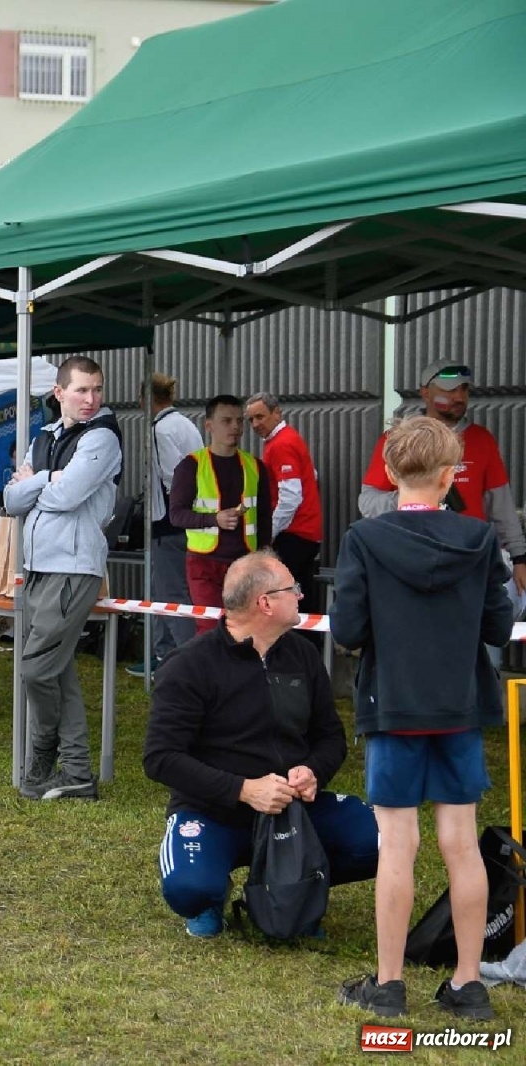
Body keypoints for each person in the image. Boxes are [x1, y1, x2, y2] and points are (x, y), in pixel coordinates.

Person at [332, 416, 514, 1020]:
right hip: (459, 706)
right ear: (450, 475)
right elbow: (496, 627)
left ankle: (388, 984)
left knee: (397, 846)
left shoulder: (364, 538)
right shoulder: (482, 540)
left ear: (388, 473)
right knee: (461, 846)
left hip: (393, 707)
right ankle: (468, 984)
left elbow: (350, 631)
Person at [143, 551, 379, 939]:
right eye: (293, 589)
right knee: (189, 888)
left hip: (293, 811)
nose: (302, 596)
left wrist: (313, 772)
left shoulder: (303, 655)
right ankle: (212, 896)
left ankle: (286, 886)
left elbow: (330, 737)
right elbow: (160, 758)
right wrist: (244, 790)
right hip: (213, 811)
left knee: (387, 841)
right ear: (265, 603)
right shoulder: (188, 665)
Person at [6, 356, 121, 801]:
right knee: (58, 672)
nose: (91, 399)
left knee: (37, 668)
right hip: (39, 567)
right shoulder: (46, 436)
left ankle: (42, 756)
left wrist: (41, 481)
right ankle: (75, 773)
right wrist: (45, 483)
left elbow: (68, 495)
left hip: (73, 568)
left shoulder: (104, 438)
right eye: (81, 390)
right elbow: (13, 500)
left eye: (97, 390)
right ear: (59, 393)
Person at [359, 361, 526, 653]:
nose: (459, 397)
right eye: (448, 390)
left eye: (463, 389)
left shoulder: (481, 440)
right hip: (412, 558)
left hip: (471, 562)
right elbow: (367, 501)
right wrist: (417, 497)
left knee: (483, 653)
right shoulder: (398, 440)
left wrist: (520, 557)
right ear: (425, 393)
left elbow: (501, 506)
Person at [168, 394, 273, 633]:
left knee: (245, 629)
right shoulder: (191, 466)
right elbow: (176, 515)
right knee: (210, 628)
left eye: (239, 421)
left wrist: (267, 557)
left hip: (246, 562)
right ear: (209, 426)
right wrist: (214, 520)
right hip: (204, 563)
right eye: (227, 421)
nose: (235, 427)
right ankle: (209, 670)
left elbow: (264, 517)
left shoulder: (255, 466)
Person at [132, 373, 203, 676]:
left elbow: (173, 476)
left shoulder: (159, 429)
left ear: (146, 398)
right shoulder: (187, 424)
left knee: (171, 593)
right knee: (166, 589)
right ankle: (163, 654)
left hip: (167, 522)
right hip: (189, 521)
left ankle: (184, 661)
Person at [245, 392, 323, 617]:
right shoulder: (286, 439)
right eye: (251, 419)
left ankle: (293, 648)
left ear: (276, 412)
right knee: (301, 597)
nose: (255, 424)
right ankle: (310, 648)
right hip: (304, 533)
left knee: (283, 600)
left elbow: (291, 497)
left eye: (260, 416)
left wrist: (268, 533)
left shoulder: (281, 444)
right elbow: (310, 476)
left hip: (294, 534)